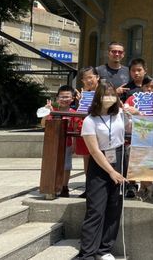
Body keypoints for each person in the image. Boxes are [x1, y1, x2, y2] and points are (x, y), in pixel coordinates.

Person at [76, 81, 129, 260]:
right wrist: (111, 172)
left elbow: (136, 127)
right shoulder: (89, 120)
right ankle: (88, 253)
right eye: (105, 94)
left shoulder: (120, 114)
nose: (109, 98)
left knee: (115, 207)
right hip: (100, 164)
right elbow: (94, 151)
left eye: (112, 94)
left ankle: (104, 249)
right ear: (98, 96)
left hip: (120, 157)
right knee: (96, 209)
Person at [41, 85, 76, 198]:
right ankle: (52, 185)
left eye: (67, 97)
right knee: (51, 165)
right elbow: (43, 124)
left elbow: (76, 129)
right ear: (57, 98)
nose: (64, 99)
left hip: (67, 144)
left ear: (72, 98)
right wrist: (47, 112)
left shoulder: (74, 112)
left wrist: (75, 145)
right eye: (62, 97)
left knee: (66, 166)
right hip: (53, 144)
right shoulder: (53, 111)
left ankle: (64, 187)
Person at [75, 67, 100, 197]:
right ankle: (89, 187)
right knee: (86, 158)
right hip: (86, 129)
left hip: (100, 131)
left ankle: (99, 187)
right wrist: (80, 102)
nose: (89, 80)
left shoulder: (105, 91)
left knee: (99, 158)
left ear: (97, 77)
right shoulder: (83, 95)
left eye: (91, 77)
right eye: (85, 78)